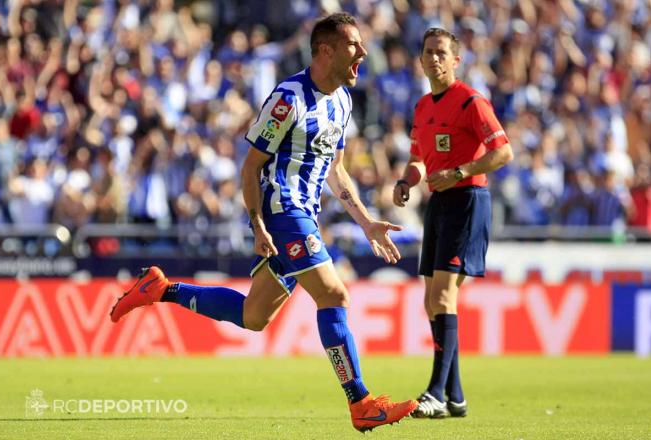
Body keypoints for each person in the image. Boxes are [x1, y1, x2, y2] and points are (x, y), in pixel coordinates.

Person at [110, 13, 417, 432]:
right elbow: (251, 166)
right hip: (283, 213)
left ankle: (161, 289)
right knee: (333, 295)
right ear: (326, 51)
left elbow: (336, 170)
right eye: (354, 45)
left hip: (307, 215)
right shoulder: (288, 98)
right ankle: (361, 402)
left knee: (254, 317)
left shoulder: (343, 100)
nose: (363, 53)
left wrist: (366, 222)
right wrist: (258, 225)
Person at [392, 28, 513, 419]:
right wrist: (406, 182)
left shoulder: (471, 102)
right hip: (439, 205)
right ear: (421, 59)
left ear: (456, 60)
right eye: (428, 52)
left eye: (442, 52)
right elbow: (417, 160)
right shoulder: (423, 106)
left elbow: (503, 151)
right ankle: (455, 395)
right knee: (432, 300)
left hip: (467, 201)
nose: (435, 58)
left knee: (443, 297)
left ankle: (435, 392)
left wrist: (461, 170)